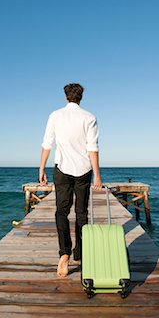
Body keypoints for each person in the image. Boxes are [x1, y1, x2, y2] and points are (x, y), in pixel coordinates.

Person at [39, 83, 103, 278]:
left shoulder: (55, 115)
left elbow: (47, 144)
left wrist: (41, 168)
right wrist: (98, 175)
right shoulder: (89, 117)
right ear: (80, 98)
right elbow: (93, 148)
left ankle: (64, 253)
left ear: (66, 97)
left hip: (62, 169)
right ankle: (79, 253)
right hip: (84, 170)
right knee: (81, 213)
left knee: (61, 212)